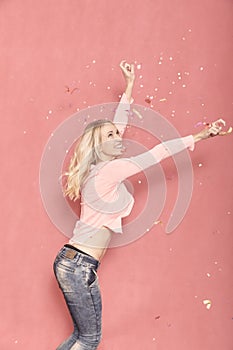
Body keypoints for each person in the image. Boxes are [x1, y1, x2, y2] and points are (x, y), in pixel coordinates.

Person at [53, 60, 229, 350]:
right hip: (78, 265)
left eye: (115, 133)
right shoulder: (109, 171)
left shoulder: (99, 167)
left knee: (80, 337)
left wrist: (130, 86)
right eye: (110, 136)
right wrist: (198, 136)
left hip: (76, 263)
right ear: (98, 147)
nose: (117, 136)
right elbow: (158, 153)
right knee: (88, 340)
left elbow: (117, 124)